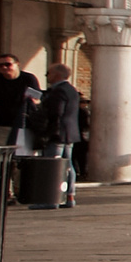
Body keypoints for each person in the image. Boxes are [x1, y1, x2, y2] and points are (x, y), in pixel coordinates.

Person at [31, 64, 81, 207]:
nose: (47, 76)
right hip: (69, 133)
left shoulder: (58, 91)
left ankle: (50, 199)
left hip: (57, 132)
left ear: (57, 74)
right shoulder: (71, 90)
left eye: (49, 73)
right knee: (67, 165)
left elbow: (56, 112)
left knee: (52, 165)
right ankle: (69, 196)